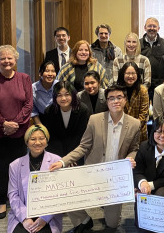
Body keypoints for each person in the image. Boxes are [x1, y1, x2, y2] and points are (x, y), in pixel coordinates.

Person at [49, 85, 141, 231]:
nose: (115, 101)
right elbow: (83, 147)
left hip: (115, 178)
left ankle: (110, 210)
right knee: (67, 196)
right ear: (107, 101)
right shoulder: (94, 120)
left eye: (119, 97)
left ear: (125, 100)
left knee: (112, 224)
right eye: (111, 98)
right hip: (93, 173)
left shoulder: (135, 124)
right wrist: (63, 161)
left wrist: (130, 158)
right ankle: (84, 220)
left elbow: (134, 148)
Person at [0, 45, 33, 219]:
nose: (6, 61)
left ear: (15, 60)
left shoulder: (24, 78)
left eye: (10, 58)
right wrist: (4, 123)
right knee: (1, 168)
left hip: (19, 132)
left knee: (20, 168)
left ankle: (19, 199)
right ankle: (2, 202)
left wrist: (15, 123)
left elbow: (28, 104)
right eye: (2, 58)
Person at [7, 125, 62, 233]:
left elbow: (59, 194)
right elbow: (13, 195)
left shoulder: (57, 161)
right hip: (22, 212)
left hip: (48, 215)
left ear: (47, 141)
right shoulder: (15, 165)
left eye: (42, 138)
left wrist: (44, 218)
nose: (37, 142)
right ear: (27, 142)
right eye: (33, 139)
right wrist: (25, 218)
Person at [41, 81, 90, 165]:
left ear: (73, 95)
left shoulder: (83, 110)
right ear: (55, 97)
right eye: (59, 95)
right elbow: (52, 139)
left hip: (76, 156)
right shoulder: (49, 111)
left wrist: (70, 159)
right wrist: (60, 160)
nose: (63, 98)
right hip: (56, 157)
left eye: (67, 94)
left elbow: (81, 138)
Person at [140, 17, 164, 101]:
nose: (152, 28)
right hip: (142, 84)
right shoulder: (138, 43)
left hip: (161, 85)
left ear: (158, 28)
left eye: (154, 26)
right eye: (149, 26)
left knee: (160, 111)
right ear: (145, 28)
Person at [116, 61, 149, 142]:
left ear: (137, 75)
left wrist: (132, 128)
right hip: (120, 131)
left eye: (133, 73)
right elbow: (115, 112)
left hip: (139, 132)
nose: (130, 76)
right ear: (122, 74)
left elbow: (144, 114)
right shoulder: (117, 90)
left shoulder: (143, 90)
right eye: (127, 73)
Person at [31, 60, 57, 125]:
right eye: (47, 71)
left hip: (58, 119)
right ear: (40, 73)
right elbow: (33, 110)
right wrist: (40, 126)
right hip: (40, 119)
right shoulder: (33, 88)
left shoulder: (59, 86)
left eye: (53, 71)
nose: (50, 74)